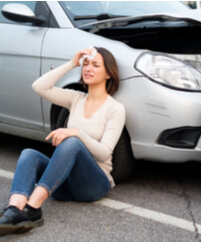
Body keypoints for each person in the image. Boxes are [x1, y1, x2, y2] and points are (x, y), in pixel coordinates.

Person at [0, 47, 125, 236]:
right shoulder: (75, 98)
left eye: (95, 65)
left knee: (72, 141)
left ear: (109, 73)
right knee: (29, 154)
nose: (88, 68)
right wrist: (72, 63)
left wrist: (77, 133)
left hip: (93, 184)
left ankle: (32, 209)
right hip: (64, 184)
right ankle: (14, 210)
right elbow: (39, 87)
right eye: (86, 64)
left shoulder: (115, 109)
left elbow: (105, 153)